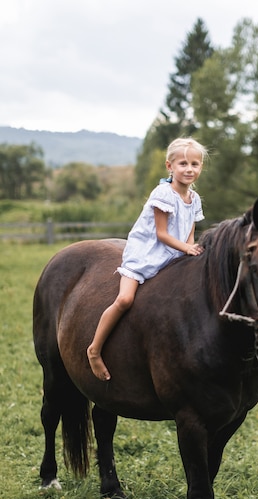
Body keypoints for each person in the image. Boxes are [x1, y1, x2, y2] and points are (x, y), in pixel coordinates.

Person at [87, 137, 207, 381]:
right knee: (125, 299)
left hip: (175, 253)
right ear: (169, 166)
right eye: (183, 163)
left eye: (195, 164)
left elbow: (190, 234)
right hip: (147, 253)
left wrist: (191, 248)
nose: (189, 169)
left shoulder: (194, 199)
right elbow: (161, 234)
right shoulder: (163, 193)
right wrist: (186, 248)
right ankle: (94, 350)